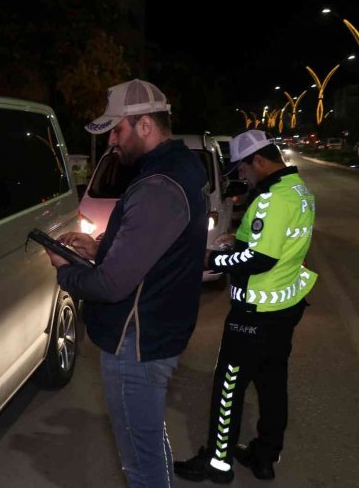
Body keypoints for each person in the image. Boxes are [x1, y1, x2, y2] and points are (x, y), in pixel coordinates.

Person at [44, 79, 208, 488]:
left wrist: (65, 268)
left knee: (141, 461)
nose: (112, 141)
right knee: (150, 441)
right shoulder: (174, 169)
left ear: (145, 125)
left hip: (136, 343)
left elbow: (112, 285)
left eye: (117, 130)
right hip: (154, 332)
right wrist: (99, 244)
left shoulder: (157, 186)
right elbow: (153, 247)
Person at [174, 130, 318, 483]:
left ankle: (217, 464)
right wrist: (236, 239)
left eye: (242, 168)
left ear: (259, 160)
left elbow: (259, 259)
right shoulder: (299, 191)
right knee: (272, 384)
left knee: (229, 385)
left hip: (254, 313)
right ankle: (265, 456)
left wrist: (213, 258)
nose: (241, 176)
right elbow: (275, 241)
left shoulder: (271, 199)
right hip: (285, 307)